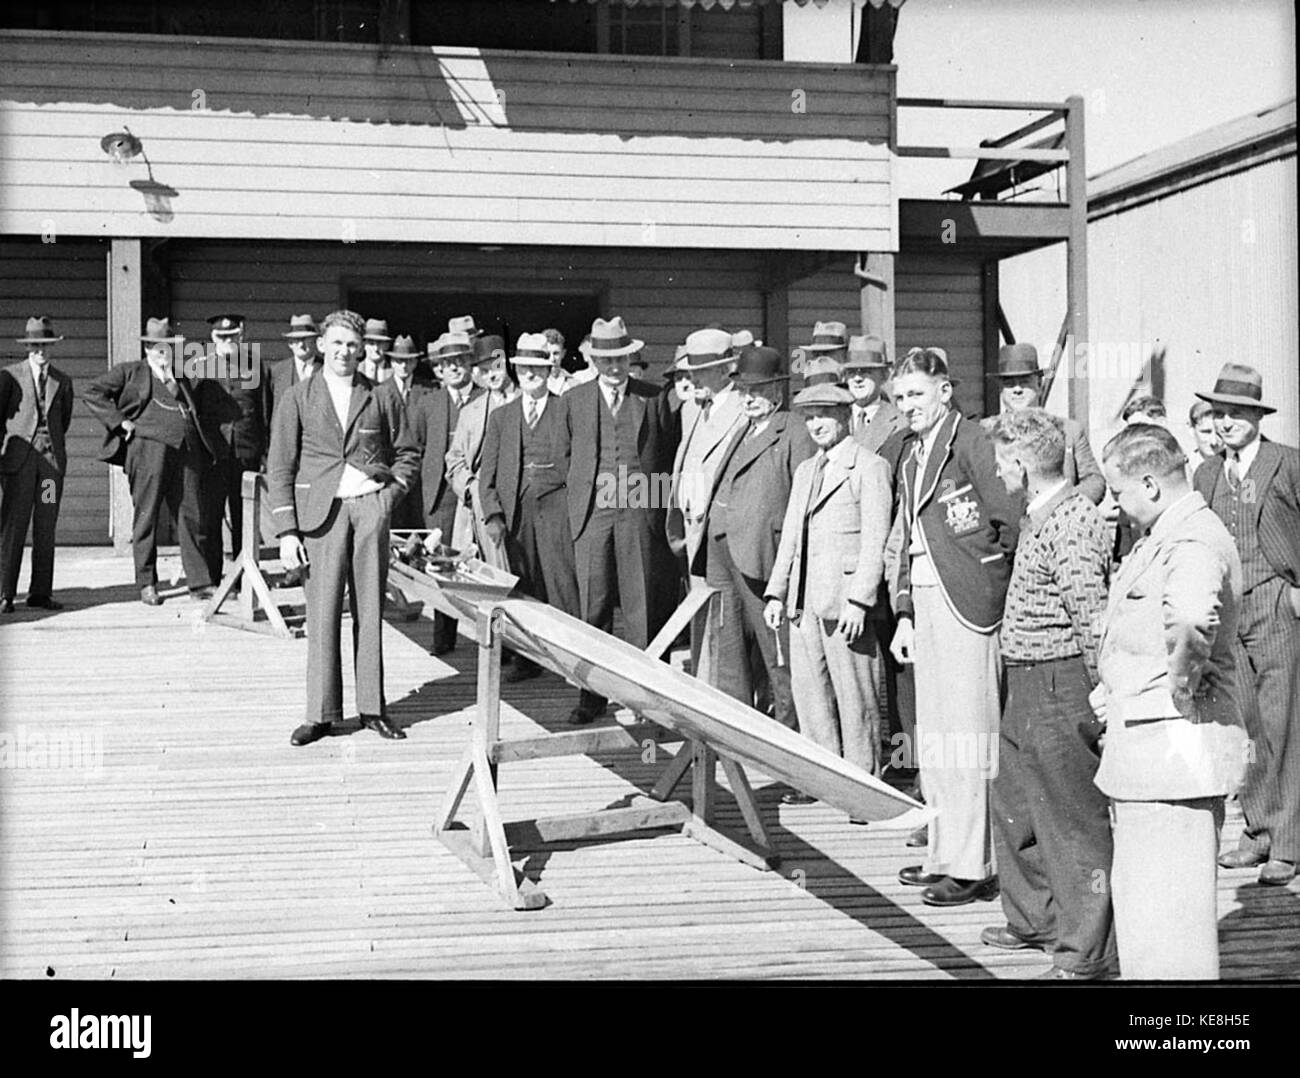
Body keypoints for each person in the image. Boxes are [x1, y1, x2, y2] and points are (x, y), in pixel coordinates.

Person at [1093, 423, 1248, 979]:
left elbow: (1189, 618)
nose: (1115, 505)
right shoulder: (1165, 534)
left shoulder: (1191, 539)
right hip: (1152, 758)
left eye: (1119, 492)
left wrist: (1174, 686)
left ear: (1151, 484)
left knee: (1171, 933)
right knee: (1148, 920)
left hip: (1172, 755)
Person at [984, 408, 1116, 979]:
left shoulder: (1071, 522)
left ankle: (1085, 953)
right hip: (1026, 683)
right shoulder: (1038, 515)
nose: (995, 472)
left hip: (1061, 684)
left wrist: (1104, 692)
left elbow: (1093, 619)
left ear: (1019, 462)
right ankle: (1035, 919)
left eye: (998, 462)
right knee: (1015, 806)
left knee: (1070, 821)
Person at [890, 346, 1020, 907]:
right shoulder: (909, 454)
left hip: (970, 601)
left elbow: (1010, 522)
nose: (907, 406)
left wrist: (999, 591)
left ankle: (976, 863)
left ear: (945, 391)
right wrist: (903, 612)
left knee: (969, 734)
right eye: (899, 398)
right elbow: (904, 537)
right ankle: (944, 854)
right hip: (926, 599)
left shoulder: (971, 442)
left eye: (916, 394)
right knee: (938, 737)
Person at [266, 309, 420, 747]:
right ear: (321, 345)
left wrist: (386, 499)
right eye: (336, 344)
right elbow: (279, 466)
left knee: (370, 610)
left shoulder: (381, 395)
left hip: (368, 512)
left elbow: (408, 452)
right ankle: (321, 714)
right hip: (320, 517)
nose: (344, 352)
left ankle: (372, 708)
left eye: (352, 345)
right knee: (323, 612)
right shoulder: (298, 396)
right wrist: (287, 532)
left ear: (362, 349)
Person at [1192, 363, 1300, 887]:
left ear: (1259, 416)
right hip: (1229, 610)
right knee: (1247, 726)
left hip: (1278, 603)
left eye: (1238, 412)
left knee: (1283, 724)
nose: (1227, 421)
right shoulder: (1208, 473)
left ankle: (1287, 843)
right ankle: (1257, 831)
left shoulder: (1288, 465)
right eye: (1220, 412)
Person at [764, 381, 891, 804]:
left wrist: (860, 600)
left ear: (846, 418)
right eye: (810, 416)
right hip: (803, 602)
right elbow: (790, 540)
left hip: (845, 602)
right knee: (811, 694)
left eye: (825, 414)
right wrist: (776, 593)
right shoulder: (806, 470)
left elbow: (877, 540)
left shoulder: (869, 467)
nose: (816, 423)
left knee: (856, 697)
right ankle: (822, 781)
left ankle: (863, 788)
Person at [562, 316, 679, 725]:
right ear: (594, 359)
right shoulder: (574, 400)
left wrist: (656, 514)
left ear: (631, 359)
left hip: (638, 510)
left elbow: (667, 458)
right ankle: (591, 696)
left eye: (621, 359)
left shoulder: (653, 397)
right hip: (594, 513)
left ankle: (644, 698)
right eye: (605, 360)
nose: (614, 368)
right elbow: (566, 460)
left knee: (639, 606)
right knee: (592, 607)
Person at [707, 346, 815, 733]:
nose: (749, 397)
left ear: (778, 392)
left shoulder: (794, 431)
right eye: (744, 390)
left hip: (764, 556)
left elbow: (802, 501)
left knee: (778, 654)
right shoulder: (743, 429)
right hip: (721, 553)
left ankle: (790, 736)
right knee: (730, 651)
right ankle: (742, 731)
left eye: (758, 390)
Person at [83, 317, 223, 605]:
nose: (164, 353)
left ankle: (199, 582)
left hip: (186, 454)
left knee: (191, 515)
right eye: (159, 348)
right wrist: (120, 422)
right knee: (146, 516)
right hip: (147, 452)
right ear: (147, 349)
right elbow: (91, 392)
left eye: (169, 348)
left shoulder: (181, 378)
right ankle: (147, 583)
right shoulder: (130, 372)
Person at [479, 332, 581, 684]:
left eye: (537, 367)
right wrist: (493, 515)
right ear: (516, 370)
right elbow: (486, 475)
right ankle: (528, 659)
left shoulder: (566, 409)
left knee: (562, 585)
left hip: (558, 511)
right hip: (516, 514)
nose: (529, 373)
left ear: (549, 369)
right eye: (523, 367)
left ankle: (572, 662)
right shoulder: (501, 417)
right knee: (524, 589)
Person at [407, 331, 482, 655]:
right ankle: (443, 637)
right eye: (447, 363)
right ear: (439, 368)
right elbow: (415, 447)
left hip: (473, 493)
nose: (454, 368)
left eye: (460, 361)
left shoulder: (485, 398)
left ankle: (498, 644)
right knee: (440, 564)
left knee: (480, 566)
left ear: (469, 364)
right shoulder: (428, 404)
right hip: (440, 496)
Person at [0, 316, 75, 612]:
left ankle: (40, 593)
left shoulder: (63, 381)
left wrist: (51, 450)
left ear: (51, 346)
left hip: (49, 470)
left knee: (46, 527)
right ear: (27, 346)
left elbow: (63, 422)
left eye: (45, 345)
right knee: (13, 527)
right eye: (35, 345)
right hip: (19, 467)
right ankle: (5, 593)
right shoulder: (9, 376)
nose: (40, 350)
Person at [982, 343, 1105, 504]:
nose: (1017, 389)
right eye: (1009, 383)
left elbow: (1094, 481)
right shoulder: (986, 433)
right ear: (1001, 389)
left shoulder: (1068, 431)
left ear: (1039, 384)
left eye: (1025, 381)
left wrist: (1061, 504)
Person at [202, 313, 273, 572]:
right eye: (221, 336)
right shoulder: (202, 366)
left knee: (245, 516)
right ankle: (213, 576)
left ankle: (244, 573)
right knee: (212, 514)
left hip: (246, 452)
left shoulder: (254, 366)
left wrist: (264, 453)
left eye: (232, 336)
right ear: (213, 337)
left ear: (241, 335)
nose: (227, 340)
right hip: (214, 454)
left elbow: (264, 409)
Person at [445, 334, 518, 571]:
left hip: (519, 501)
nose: (492, 375)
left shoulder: (526, 402)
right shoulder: (471, 411)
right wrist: (470, 488)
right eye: (484, 371)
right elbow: (454, 459)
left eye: (496, 367)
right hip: (479, 503)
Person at [373, 335, 427, 531]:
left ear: (415, 362)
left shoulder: (429, 389)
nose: (403, 366)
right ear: (391, 361)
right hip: (392, 473)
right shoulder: (379, 392)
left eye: (409, 360)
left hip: (420, 475)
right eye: (398, 361)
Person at [270, 314, 321, 418]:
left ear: (315, 340)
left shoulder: (325, 369)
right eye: (297, 339)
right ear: (290, 343)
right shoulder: (277, 372)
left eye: (306, 339)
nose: (301, 345)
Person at [542, 328, 579, 396]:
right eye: (547, 354)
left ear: (563, 353)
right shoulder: (534, 382)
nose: (552, 359)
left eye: (556, 353)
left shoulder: (574, 385)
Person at [1188, 399, 1223, 463]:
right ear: (1191, 430)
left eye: (1219, 434)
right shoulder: (1181, 469)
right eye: (1206, 432)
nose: (1214, 442)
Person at [359, 318, 392, 384]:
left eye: (380, 343)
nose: (376, 348)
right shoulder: (355, 370)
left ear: (387, 345)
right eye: (371, 343)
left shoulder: (395, 373)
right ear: (364, 345)